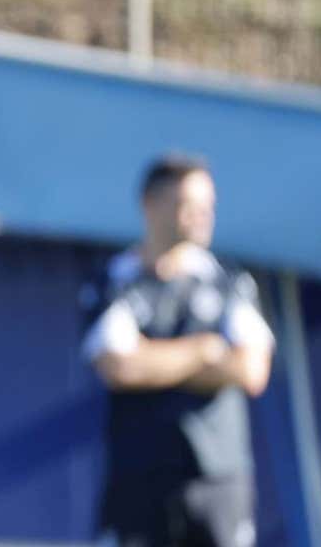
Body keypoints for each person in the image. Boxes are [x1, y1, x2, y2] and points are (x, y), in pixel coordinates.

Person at [81, 154, 274, 547]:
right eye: (188, 205)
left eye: (209, 206)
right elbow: (121, 367)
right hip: (139, 483)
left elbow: (252, 371)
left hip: (220, 482)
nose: (202, 215)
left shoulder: (230, 281)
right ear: (150, 205)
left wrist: (154, 357)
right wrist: (205, 351)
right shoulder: (114, 282)